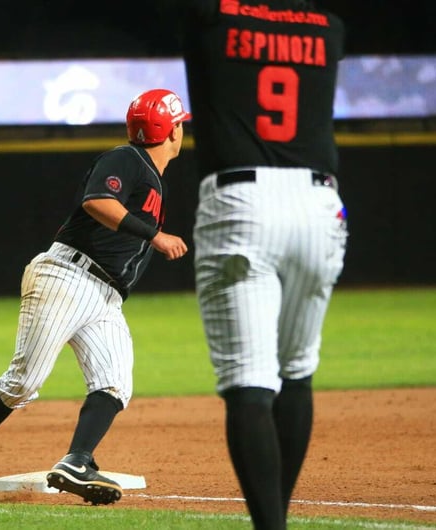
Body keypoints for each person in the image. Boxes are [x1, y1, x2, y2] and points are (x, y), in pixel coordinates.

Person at [0, 89, 191, 504]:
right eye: (179, 122)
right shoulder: (127, 159)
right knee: (24, 381)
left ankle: (77, 460)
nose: (183, 129)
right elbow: (97, 201)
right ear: (168, 130)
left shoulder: (153, 176)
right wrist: (156, 235)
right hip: (67, 276)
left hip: (105, 295)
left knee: (115, 383)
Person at [178, 1, 347, 528]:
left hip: (241, 201)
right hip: (321, 203)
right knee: (297, 371)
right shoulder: (329, 26)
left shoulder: (212, 17)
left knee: (249, 380)